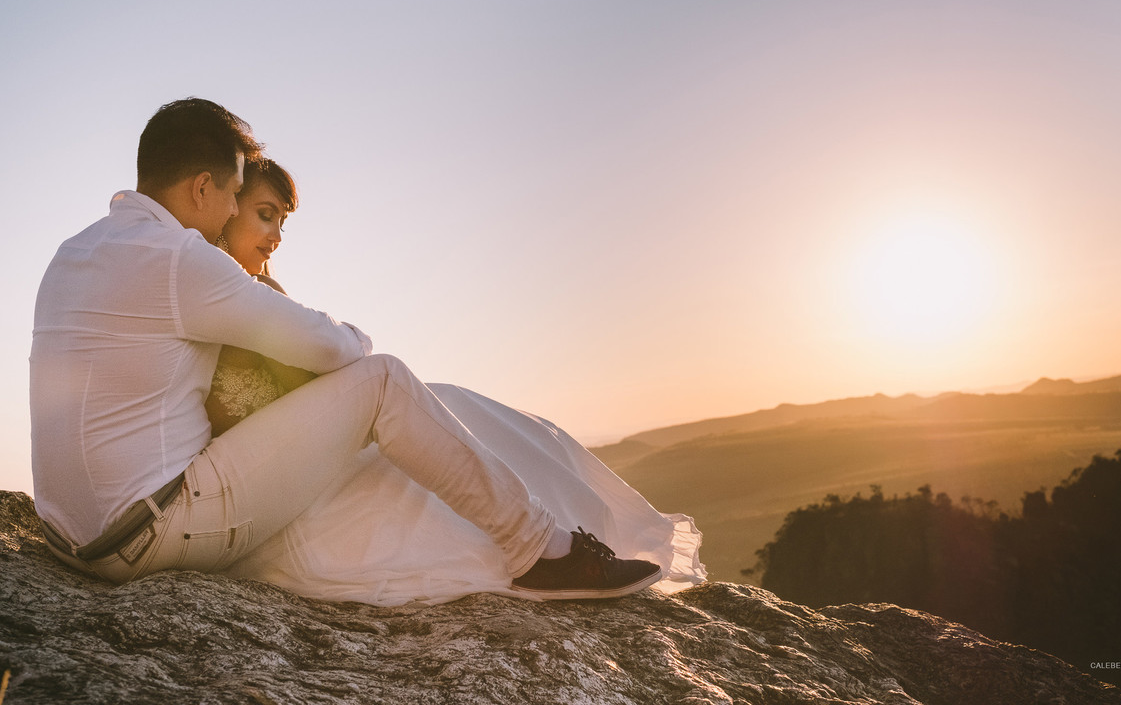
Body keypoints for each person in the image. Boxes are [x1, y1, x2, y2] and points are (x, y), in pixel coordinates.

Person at [30, 97, 683, 601]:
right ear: (201, 188)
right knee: (382, 379)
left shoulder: (79, 251)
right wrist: (356, 340)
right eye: (233, 193)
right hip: (145, 536)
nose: (233, 209)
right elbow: (327, 349)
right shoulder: (179, 259)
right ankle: (541, 550)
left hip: (73, 538)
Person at [204, 157, 704, 605]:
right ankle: (549, 550)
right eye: (264, 214)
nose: (276, 236)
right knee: (432, 416)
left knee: (450, 405)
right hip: (275, 499)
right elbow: (335, 372)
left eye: (282, 222)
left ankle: (560, 540)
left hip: (300, 471)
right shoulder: (231, 297)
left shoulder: (246, 293)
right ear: (226, 208)